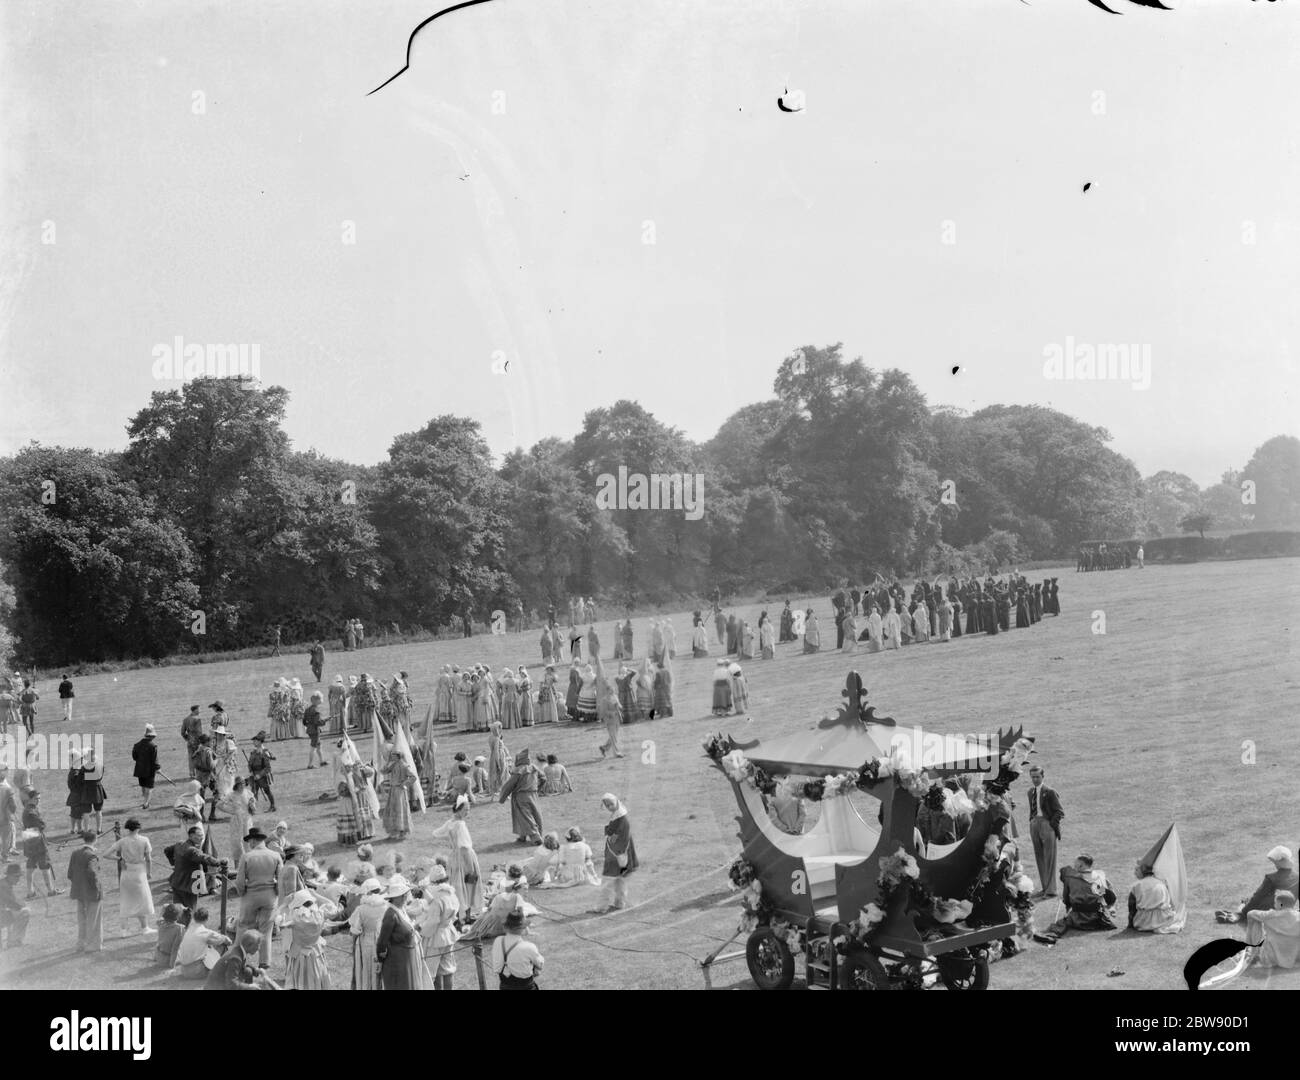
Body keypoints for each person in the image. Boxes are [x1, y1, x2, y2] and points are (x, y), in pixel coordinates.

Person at [1033, 854, 1117, 943]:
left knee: (1061, 923)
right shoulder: (1100, 876)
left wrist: (1068, 909)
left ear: (1081, 865)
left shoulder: (1070, 877)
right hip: (1098, 920)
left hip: (1078, 919)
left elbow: (1067, 899)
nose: (1074, 866)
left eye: (1075, 864)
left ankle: (1052, 934)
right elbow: (1106, 897)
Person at [235, 826, 281, 968]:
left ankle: (237, 958)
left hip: (251, 895)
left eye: (250, 841)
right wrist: (276, 892)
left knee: (243, 926)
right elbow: (281, 879)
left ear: (254, 841)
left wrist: (242, 893)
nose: (249, 844)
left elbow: (240, 881)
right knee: (266, 929)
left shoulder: (247, 856)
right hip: (270, 896)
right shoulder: (275, 856)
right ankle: (264, 962)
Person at [430, 796, 481, 918]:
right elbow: (465, 848)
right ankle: (467, 915)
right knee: (468, 884)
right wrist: (471, 868)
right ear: (458, 809)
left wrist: (451, 840)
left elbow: (436, 833)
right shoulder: (460, 825)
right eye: (465, 809)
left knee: (457, 884)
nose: (467, 812)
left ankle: (459, 914)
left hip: (454, 857)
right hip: (465, 857)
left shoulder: (450, 823)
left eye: (468, 809)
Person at [1219, 846, 1299, 923]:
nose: (1275, 865)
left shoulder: (1271, 878)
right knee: (1249, 902)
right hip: (1286, 910)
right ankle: (1243, 905)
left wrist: (1242, 913)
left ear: (1280, 862)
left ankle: (1239, 911)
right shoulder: (1297, 877)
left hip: (1269, 911)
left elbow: (1258, 896)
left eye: (1275, 863)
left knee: (1248, 903)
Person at [104, 818, 155, 936]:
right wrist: (149, 872)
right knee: (142, 900)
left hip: (126, 872)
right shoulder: (144, 840)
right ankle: (145, 928)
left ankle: (124, 931)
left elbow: (106, 854)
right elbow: (148, 859)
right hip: (139, 872)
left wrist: (120, 858)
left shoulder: (122, 841)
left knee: (126, 900)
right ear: (138, 828)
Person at [376, 877, 426, 989]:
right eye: (402, 895)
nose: (405, 897)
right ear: (395, 898)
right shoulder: (390, 915)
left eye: (405, 894)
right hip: (397, 960)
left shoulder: (401, 910)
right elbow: (382, 942)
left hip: (407, 958)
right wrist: (380, 960)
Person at [418, 864, 461, 989]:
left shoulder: (437, 897)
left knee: (431, 970)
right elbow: (453, 915)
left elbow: (433, 920)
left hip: (436, 936)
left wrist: (421, 929)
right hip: (448, 932)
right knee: (448, 969)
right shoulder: (451, 894)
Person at [595, 793, 638, 913]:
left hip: (617, 855)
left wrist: (618, 853)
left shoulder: (621, 818)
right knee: (620, 879)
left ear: (617, 802)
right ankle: (619, 903)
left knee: (608, 881)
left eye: (611, 804)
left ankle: (602, 907)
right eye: (607, 805)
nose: (609, 807)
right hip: (620, 854)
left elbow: (620, 837)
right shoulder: (618, 816)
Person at [1027, 766, 1063, 897]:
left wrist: (1051, 824)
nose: (1035, 779)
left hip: (1047, 824)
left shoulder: (1050, 792)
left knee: (1049, 857)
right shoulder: (1030, 791)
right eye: (1033, 777)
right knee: (1039, 856)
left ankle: (1051, 890)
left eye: (1037, 777)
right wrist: (1032, 820)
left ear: (1043, 777)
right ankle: (1044, 887)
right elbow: (1032, 808)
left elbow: (1059, 811)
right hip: (1035, 823)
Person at [67, 829, 104, 953]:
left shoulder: (75, 853)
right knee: (93, 919)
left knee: (81, 919)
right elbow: (93, 873)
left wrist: (79, 885)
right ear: (95, 840)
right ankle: (92, 945)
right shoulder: (92, 855)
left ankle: (80, 944)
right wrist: (97, 888)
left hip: (79, 892)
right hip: (91, 893)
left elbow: (70, 873)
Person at [21, 790, 60, 898]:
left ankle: (30, 892)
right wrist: (42, 825)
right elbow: (41, 825)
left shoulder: (27, 809)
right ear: (30, 799)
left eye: (39, 798)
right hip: (37, 840)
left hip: (28, 838)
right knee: (45, 865)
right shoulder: (31, 811)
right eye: (36, 798)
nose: (38, 800)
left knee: (31, 865)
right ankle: (51, 890)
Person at [491, 909, 544, 990]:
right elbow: (540, 964)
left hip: (505, 986)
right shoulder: (528, 946)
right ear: (523, 928)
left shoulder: (498, 941)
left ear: (507, 927)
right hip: (526, 986)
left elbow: (497, 966)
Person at [204, 929, 274, 990]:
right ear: (249, 945)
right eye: (257, 945)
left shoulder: (238, 950)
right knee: (247, 975)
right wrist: (249, 986)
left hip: (219, 985)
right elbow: (231, 984)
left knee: (248, 971)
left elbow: (242, 966)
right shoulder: (235, 958)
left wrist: (256, 970)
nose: (258, 948)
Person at [500, 749, 545, 844]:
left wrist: (502, 797)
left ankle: (536, 837)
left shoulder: (518, 770)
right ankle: (522, 836)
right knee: (534, 814)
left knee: (525, 816)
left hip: (521, 796)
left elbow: (509, 785)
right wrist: (537, 788)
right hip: (533, 795)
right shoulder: (534, 768)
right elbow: (543, 778)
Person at [1246, 891, 1299, 969]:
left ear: (1280, 904)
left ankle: (1251, 953)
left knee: (1254, 919)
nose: (1274, 905)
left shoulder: (1271, 915)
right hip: (1294, 956)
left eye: (1275, 903)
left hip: (1271, 958)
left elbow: (1250, 913)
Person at [175, 907, 230, 978]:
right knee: (221, 945)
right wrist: (227, 939)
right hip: (197, 971)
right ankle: (221, 968)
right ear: (206, 919)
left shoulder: (189, 929)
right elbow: (226, 940)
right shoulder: (205, 932)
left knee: (208, 946)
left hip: (184, 970)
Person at [1127, 860, 1179, 934]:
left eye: (1136, 870)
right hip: (1163, 919)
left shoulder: (1137, 886)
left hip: (1144, 922)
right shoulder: (1161, 882)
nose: (1134, 873)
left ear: (1143, 871)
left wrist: (1130, 924)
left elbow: (1131, 907)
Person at [381, 747, 414, 841]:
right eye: (392, 756)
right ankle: (393, 832)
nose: (392, 757)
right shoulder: (393, 764)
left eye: (393, 755)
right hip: (392, 790)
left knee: (400, 809)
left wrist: (404, 784)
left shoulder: (404, 765)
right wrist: (387, 762)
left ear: (398, 756)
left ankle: (401, 832)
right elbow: (384, 771)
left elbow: (413, 777)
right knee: (392, 809)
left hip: (400, 790)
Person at [0, 863, 30, 949]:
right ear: (9, 876)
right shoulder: (4, 886)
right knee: (25, 912)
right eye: (16, 876)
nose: (18, 879)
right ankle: (14, 941)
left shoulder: (4, 883)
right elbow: (11, 903)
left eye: (19, 876)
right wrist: (22, 907)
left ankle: (12, 940)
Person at [131, 724, 160, 810]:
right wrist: (158, 768)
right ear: (151, 736)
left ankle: (144, 800)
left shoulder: (137, 745)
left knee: (143, 785)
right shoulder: (153, 746)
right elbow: (155, 760)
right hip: (149, 770)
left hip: (139, 769)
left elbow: (134, 757)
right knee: (149, 787)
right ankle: (146, 803)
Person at [247, 732, 276, 813]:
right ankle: (252, 809)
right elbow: (250, 763)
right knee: (253, 792)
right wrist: (251, 771)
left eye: (255, 741)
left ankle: (273, 806)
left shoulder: (265, 752)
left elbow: (268, 768)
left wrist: (259, 775)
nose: (253, 742)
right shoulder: (253, 752)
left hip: (262, 776)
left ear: (260, 741)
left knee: (267, 791)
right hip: (254, 775)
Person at [303, 692, 326, 768]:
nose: (321, 700)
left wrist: (309, 725)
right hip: (315, 731)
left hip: (310, 730)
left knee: (319, 746)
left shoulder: (307, 709)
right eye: (320, 699)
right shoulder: (316, 710)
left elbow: (304, 721)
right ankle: (310, 765)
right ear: (316, 700)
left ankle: (322, 761)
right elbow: (317, 722)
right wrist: (324, 721)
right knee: (313, 748)